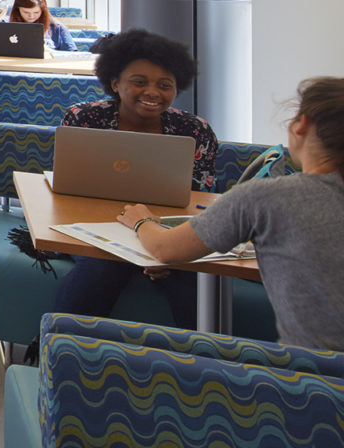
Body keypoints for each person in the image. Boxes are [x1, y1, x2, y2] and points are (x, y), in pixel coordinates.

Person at [118, 76, 344, 352]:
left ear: (303, 125)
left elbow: (165, 249)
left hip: (311, 383)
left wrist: (142, 221)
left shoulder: (267, 197)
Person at [50, 29, 217, 330]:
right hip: (92, 227)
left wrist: (163, 247)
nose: (152, 92)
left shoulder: (195, 131)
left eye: (165, 85)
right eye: (139, 82)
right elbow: (67, 187)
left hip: (165, 232)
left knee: (189, 282)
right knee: (102, 269)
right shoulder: (84, 119)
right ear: (115, 83)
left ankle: (202, 370)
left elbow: (197, 200)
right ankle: (60, 355)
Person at [6, 0, 75, 53]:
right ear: (17, 9)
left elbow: (72, 56)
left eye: (36, 12)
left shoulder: (57, 28)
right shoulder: (4, 25)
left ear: (43, 10)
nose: (31, 16)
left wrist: (50, 52)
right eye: (26, 12)